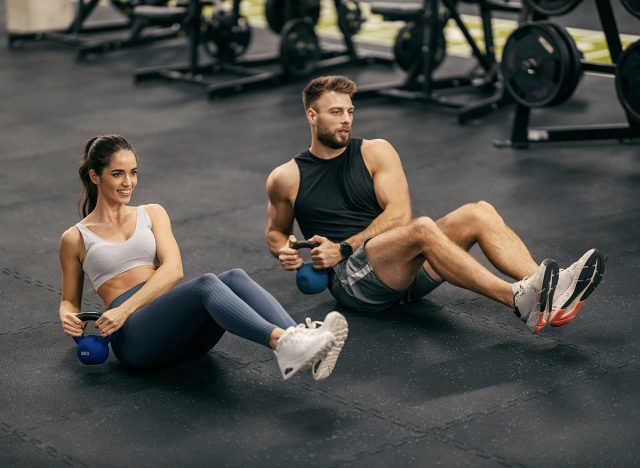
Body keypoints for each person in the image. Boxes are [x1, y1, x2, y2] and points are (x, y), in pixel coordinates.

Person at [265, 75, 605, 334]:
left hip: (401, 266)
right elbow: (276, 232)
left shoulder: (375, 151)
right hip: (352, 283)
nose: (346, 120)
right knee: (424, 229)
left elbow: (399, 215)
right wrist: (287, 251)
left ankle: (550, 291)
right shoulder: (287, 177)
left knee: (478, 212)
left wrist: (344, 245)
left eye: (350, 111)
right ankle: (518, 299)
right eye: (336, 112)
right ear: (312, 115)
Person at [58, 134, 348, 381]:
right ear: (95, 176)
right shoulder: (76, 237)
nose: (128, 182)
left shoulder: (152, 213)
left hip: (180, 332)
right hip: (135, 340)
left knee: (233, 276)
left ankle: (301, 341)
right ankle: (283, 344)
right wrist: (68, 317)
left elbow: (173, 271)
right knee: (206, 284)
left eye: (133, 172)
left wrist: (125, 309)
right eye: (117, 174)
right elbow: (69, 300)